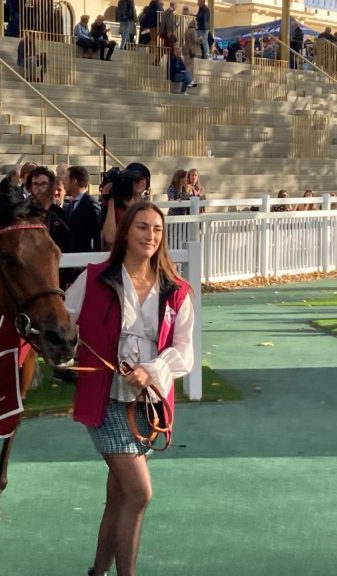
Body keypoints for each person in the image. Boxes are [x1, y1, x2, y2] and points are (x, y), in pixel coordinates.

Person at [65, 201, 195, 576]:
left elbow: (185, 352)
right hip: (105, 401)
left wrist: (151, 371)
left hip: (148, 407)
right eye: (141, 227)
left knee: (120, 495)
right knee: (139, 493)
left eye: (157, 229)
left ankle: (98, 571)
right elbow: (62, 322)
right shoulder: (94, 278)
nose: (150, 235)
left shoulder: (177, 290)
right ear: (125, 232)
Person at [63, 166, 102, 284]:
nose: (63, 182)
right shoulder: (70, 204)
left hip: (84, 264)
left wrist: (92, 262)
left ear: (74, 181)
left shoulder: (91, 204)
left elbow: (97, 236)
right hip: (70, 265)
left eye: (66, 178)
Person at [28, 166, 69, 252]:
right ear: (30, 188)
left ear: (51, 187)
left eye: (44, 184)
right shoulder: (23, 213)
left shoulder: (59, 214)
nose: (39, 188)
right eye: (35, 184)